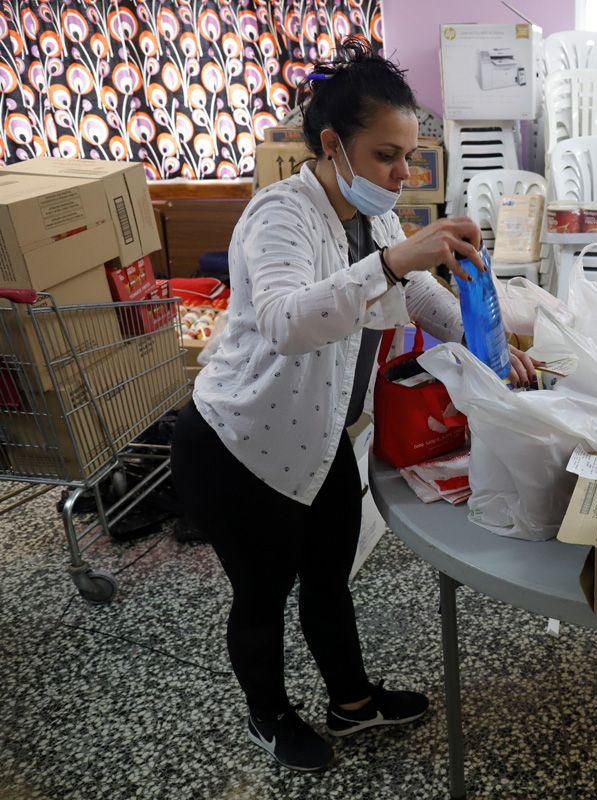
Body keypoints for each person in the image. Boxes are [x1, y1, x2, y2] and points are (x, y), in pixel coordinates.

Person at [170, 38, 536, 772]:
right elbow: (286, 320)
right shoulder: (281, 218)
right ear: (333, 145)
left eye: (410, 156)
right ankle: (269, 716)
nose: (403, 174)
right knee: (263, 594)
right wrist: (397, 259)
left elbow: (422, 299)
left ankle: (352, 702)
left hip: (321, 438)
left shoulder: (374, 221)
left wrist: (495, 343)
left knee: (330, 577)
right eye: (385, 156)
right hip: (239, 445)